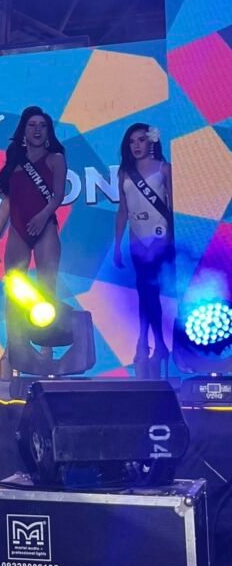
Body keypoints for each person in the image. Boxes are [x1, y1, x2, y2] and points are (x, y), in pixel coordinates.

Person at [0, 107, 67, 379]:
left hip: (46, 228)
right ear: (23, 130)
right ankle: (12, 350)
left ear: (48, 132)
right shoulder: (15, 160)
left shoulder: (56, 158)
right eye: (32, 125)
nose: (37, 130)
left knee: (47, 289)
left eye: (42, 126)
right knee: (14, 291)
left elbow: (58, 196)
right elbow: (6, 202)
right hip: (17, 231)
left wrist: (43, 216)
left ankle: (47, 350)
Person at [114, 123, 172, 376]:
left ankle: (147, 344)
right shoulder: (124, 173)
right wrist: (117, 245)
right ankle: (156, 346)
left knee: (150, 290)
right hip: (136, 238)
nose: (136, 145)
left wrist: (171, 240)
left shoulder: (164, 169)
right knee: (144, 292)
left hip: (160, 238)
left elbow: (173, 208)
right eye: (132, 141)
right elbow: (123, 211)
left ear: (151, 142)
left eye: (141, 140)